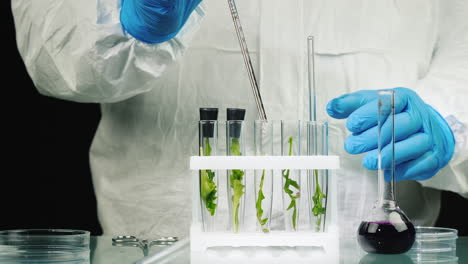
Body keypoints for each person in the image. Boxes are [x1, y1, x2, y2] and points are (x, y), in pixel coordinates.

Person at [12, 0, 467, 239]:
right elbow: (48, 50)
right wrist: (123, 25)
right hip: (164, 247)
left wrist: (450, 119)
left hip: (365, 250)